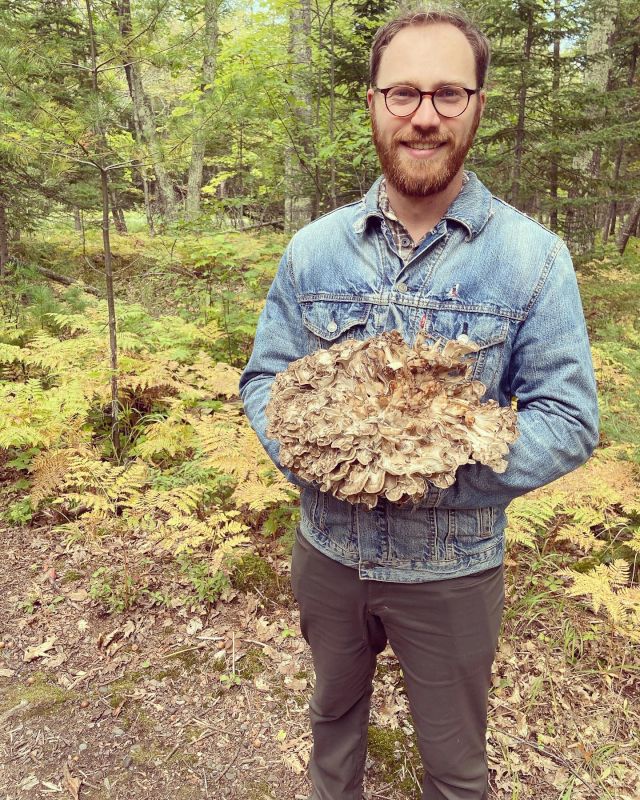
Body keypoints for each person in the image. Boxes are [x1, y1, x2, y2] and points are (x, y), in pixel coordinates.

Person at [239, 8, 599, 800]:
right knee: (332, 727)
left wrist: (433, 468)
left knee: (456, 769)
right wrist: (313, 448)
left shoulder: (531, 259)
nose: (424, 115)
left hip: (453, 572)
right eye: (403, 93)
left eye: (447, 93)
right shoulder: (315, 249)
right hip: (328, 555)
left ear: (475, 105)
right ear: (372, 102)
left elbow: (571, 419)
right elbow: (265, 379)